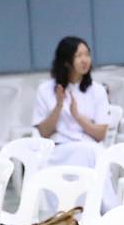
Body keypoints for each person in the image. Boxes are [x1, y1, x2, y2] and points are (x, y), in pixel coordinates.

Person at [33, 36, 111, 167]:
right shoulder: (45, 89)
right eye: (78, 56)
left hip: (87, 145)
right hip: (57, 148)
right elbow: (44, 133)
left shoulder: (97, 90)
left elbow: (100, 134)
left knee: (88, 153)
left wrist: (77, 116)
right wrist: (59, 106)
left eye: (87, 54)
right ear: (66, 61)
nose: (84, 60)